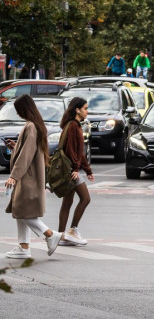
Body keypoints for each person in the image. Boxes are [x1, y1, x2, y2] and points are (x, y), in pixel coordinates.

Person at [4, 95, 64, 258]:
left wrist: (14, 176)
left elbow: (26, 155)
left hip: (27, 177)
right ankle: (24, 247)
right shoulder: (35, 125)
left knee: (23, 211)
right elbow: (28, 150)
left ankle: (50, 235)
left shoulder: (30, 126)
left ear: (24, 109)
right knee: (22, 210)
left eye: (18, 110)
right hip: (30, 176)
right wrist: (16, 146)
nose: (17, 114)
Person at [57, 97, 94, 246]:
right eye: (85, 108)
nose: (87, 111)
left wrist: (88, 170)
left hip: (71, 170)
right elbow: (72, 151)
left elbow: (80, 152)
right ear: (77, 110)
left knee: (67, 202)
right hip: (71, 171)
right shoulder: (73, 126)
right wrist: (76, 169)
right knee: (85, 199)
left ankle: (60, 236)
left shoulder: (75, 125)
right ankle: (72, 230)